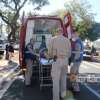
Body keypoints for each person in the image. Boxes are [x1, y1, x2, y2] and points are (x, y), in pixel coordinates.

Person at [48, 28, 71, 100]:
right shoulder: (67, 40)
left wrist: (51, 57)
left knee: (55, 80)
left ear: (57, 32)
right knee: (63, 79)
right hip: (65, 61)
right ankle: (63, 95)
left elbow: (49, 51)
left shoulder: (53, 39)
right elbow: (70, 52)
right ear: (62, 32)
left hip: (57, 60)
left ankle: (56, 98)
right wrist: (66, 57)